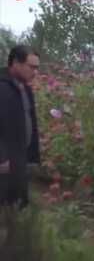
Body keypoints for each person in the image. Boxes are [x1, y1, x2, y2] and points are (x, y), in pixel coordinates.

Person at [0, 45, 41, 209]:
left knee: (17, 209)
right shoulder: (2, 88)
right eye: (32, 67)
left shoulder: (25, 89)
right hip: (3, 165)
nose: (35, 72)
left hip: (20, 162)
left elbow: (29, 124)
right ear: (16, 63)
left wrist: (32, 157)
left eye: (37, 68)